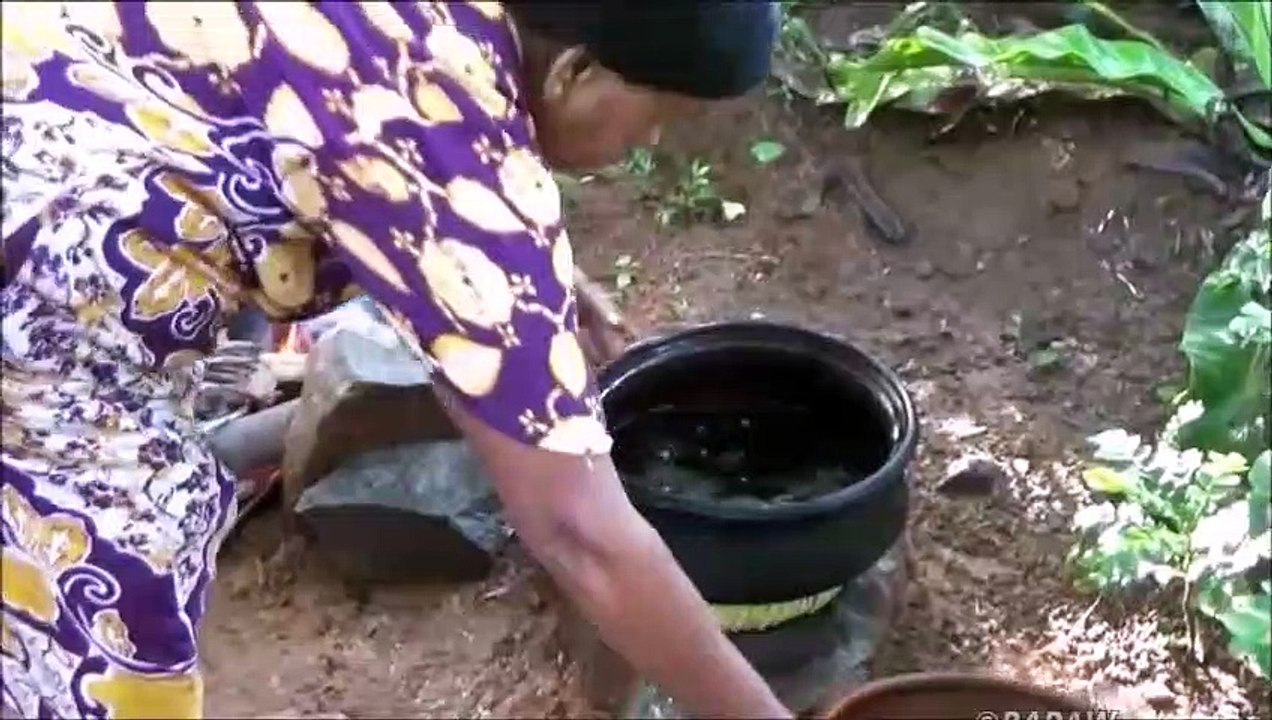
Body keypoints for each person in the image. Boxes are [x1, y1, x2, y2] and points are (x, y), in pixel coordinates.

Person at [0, 2, 791, 718]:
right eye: (656, 119)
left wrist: (534, 286)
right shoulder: (448, 148)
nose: (647, 144)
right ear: (574, 69)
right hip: (32, 324)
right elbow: (577, 531)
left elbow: (351, 142)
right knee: (105, 587)